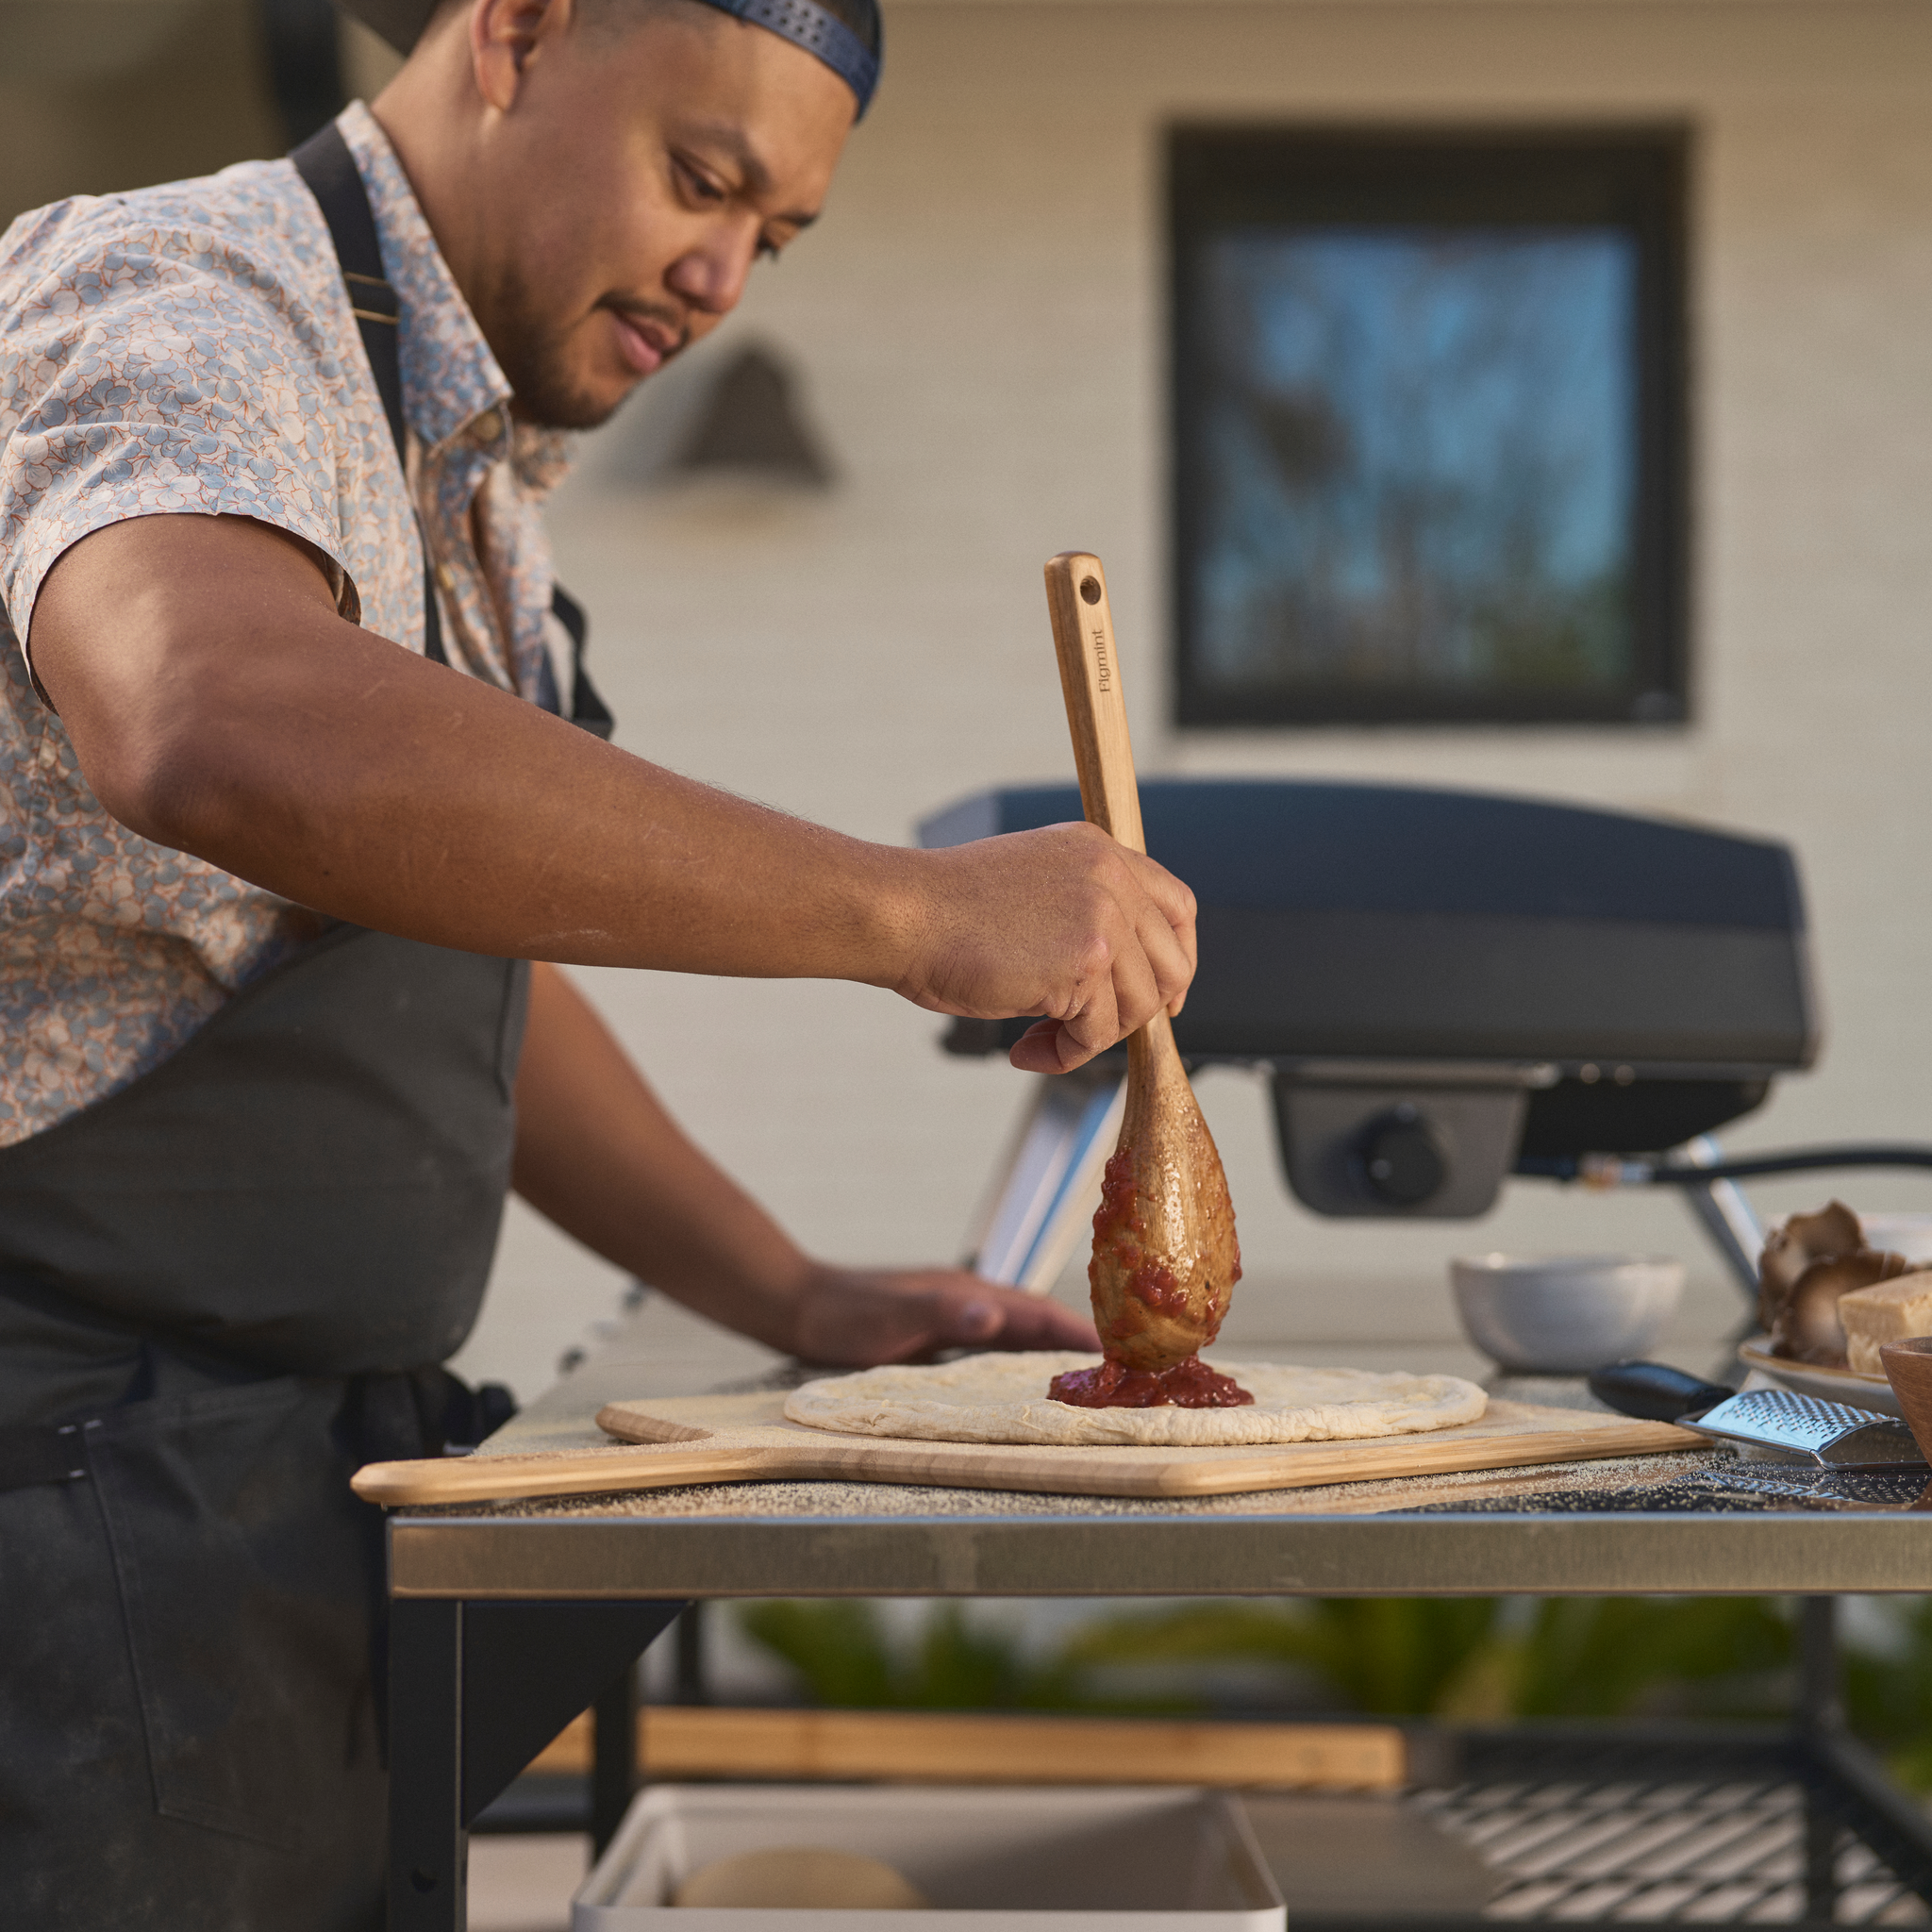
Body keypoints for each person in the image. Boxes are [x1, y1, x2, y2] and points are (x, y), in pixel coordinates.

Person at [0, 0, 1197, 1923]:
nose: (723, 274)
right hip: (56, 1517)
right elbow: (203, 713)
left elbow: (436, 963)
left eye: (778, 234)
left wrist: (787, 1290)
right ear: (522, 31)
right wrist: (905, 910)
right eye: (701, 179)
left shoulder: (473, 489)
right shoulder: (188, 293)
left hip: (276, 1506)